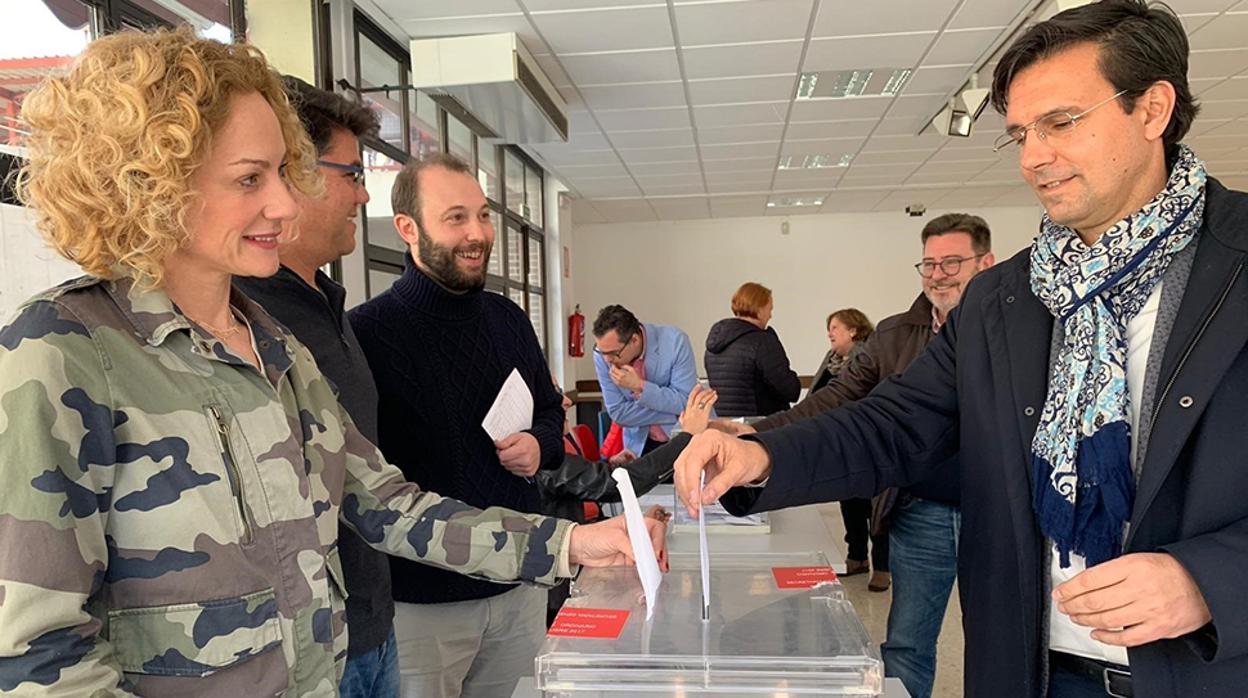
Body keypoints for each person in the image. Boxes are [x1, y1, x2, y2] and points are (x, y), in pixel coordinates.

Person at [0, 28, 660, 697]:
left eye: (285, 173)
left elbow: (385, 504)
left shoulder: (275, 346)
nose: (285, 205)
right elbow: (37, 660)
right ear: (150, 186)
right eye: (250, 178)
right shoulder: (60, 354)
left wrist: (572, 545)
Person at [676, 2, 1248, 696]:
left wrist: (1209, 582)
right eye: (1020, 134)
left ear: (1152, 109)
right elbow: (895, 423)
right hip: (1035, 669)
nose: (1034, 157)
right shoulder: (1003, 298)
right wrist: (760, 451)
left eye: (1061, 122)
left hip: (1208, 670)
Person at [730, 214, 995, 698]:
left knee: (1000, 643)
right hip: (922, 510)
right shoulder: (893, 334)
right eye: (929, 264)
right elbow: (835, 398)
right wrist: (757, 433)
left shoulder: (1010, 333)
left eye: (952, 262)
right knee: (908, 643)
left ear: (986, 262)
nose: (938, 274)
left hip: (998, 512)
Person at [348, 152, 567, 698]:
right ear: (407, 228)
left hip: (519, 587)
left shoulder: (508, 319)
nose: (477, 234)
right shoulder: (366, 334)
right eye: (456, 218)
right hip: (422, 607)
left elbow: (550, 412)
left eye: (484, 215)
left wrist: (541, 445)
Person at [232, 77, 398, 698]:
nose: (361, 195)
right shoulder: (240, 318)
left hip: (368, 627)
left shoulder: (316, 313)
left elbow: (370, 490)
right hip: (295, 658)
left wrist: (568, 543)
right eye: (352, 174)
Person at [539, 382, 717, 622]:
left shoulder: (549, 447)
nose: (568, 401)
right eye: (555, 394)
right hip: (555, 596)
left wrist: (614, 470)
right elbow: (612, 484)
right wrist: (687, 437)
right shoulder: (540, 457)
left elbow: (582, 482)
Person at [592, 304, 699, 456]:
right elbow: (618, 413)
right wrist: (673, 414)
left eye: (614, 353)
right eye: (602, 352)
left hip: (683, 441)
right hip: (638, 447)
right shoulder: (602, 356)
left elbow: (685, 401)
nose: (607, 360)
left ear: (634, 340)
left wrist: (640, 386)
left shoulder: (675, 341)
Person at [703, 282, 800, 418]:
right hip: (760, 425)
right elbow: (789, 390)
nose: (770, 316)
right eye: (769, 309)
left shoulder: (714, 344)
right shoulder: (762, 341)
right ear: (759, 309)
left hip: (725, 425)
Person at [810, 308, 873, 393]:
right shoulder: (831, 357)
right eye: (829, 330)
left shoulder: (864, 355)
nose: (829, 334)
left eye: (834, 328)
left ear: (852, 331)